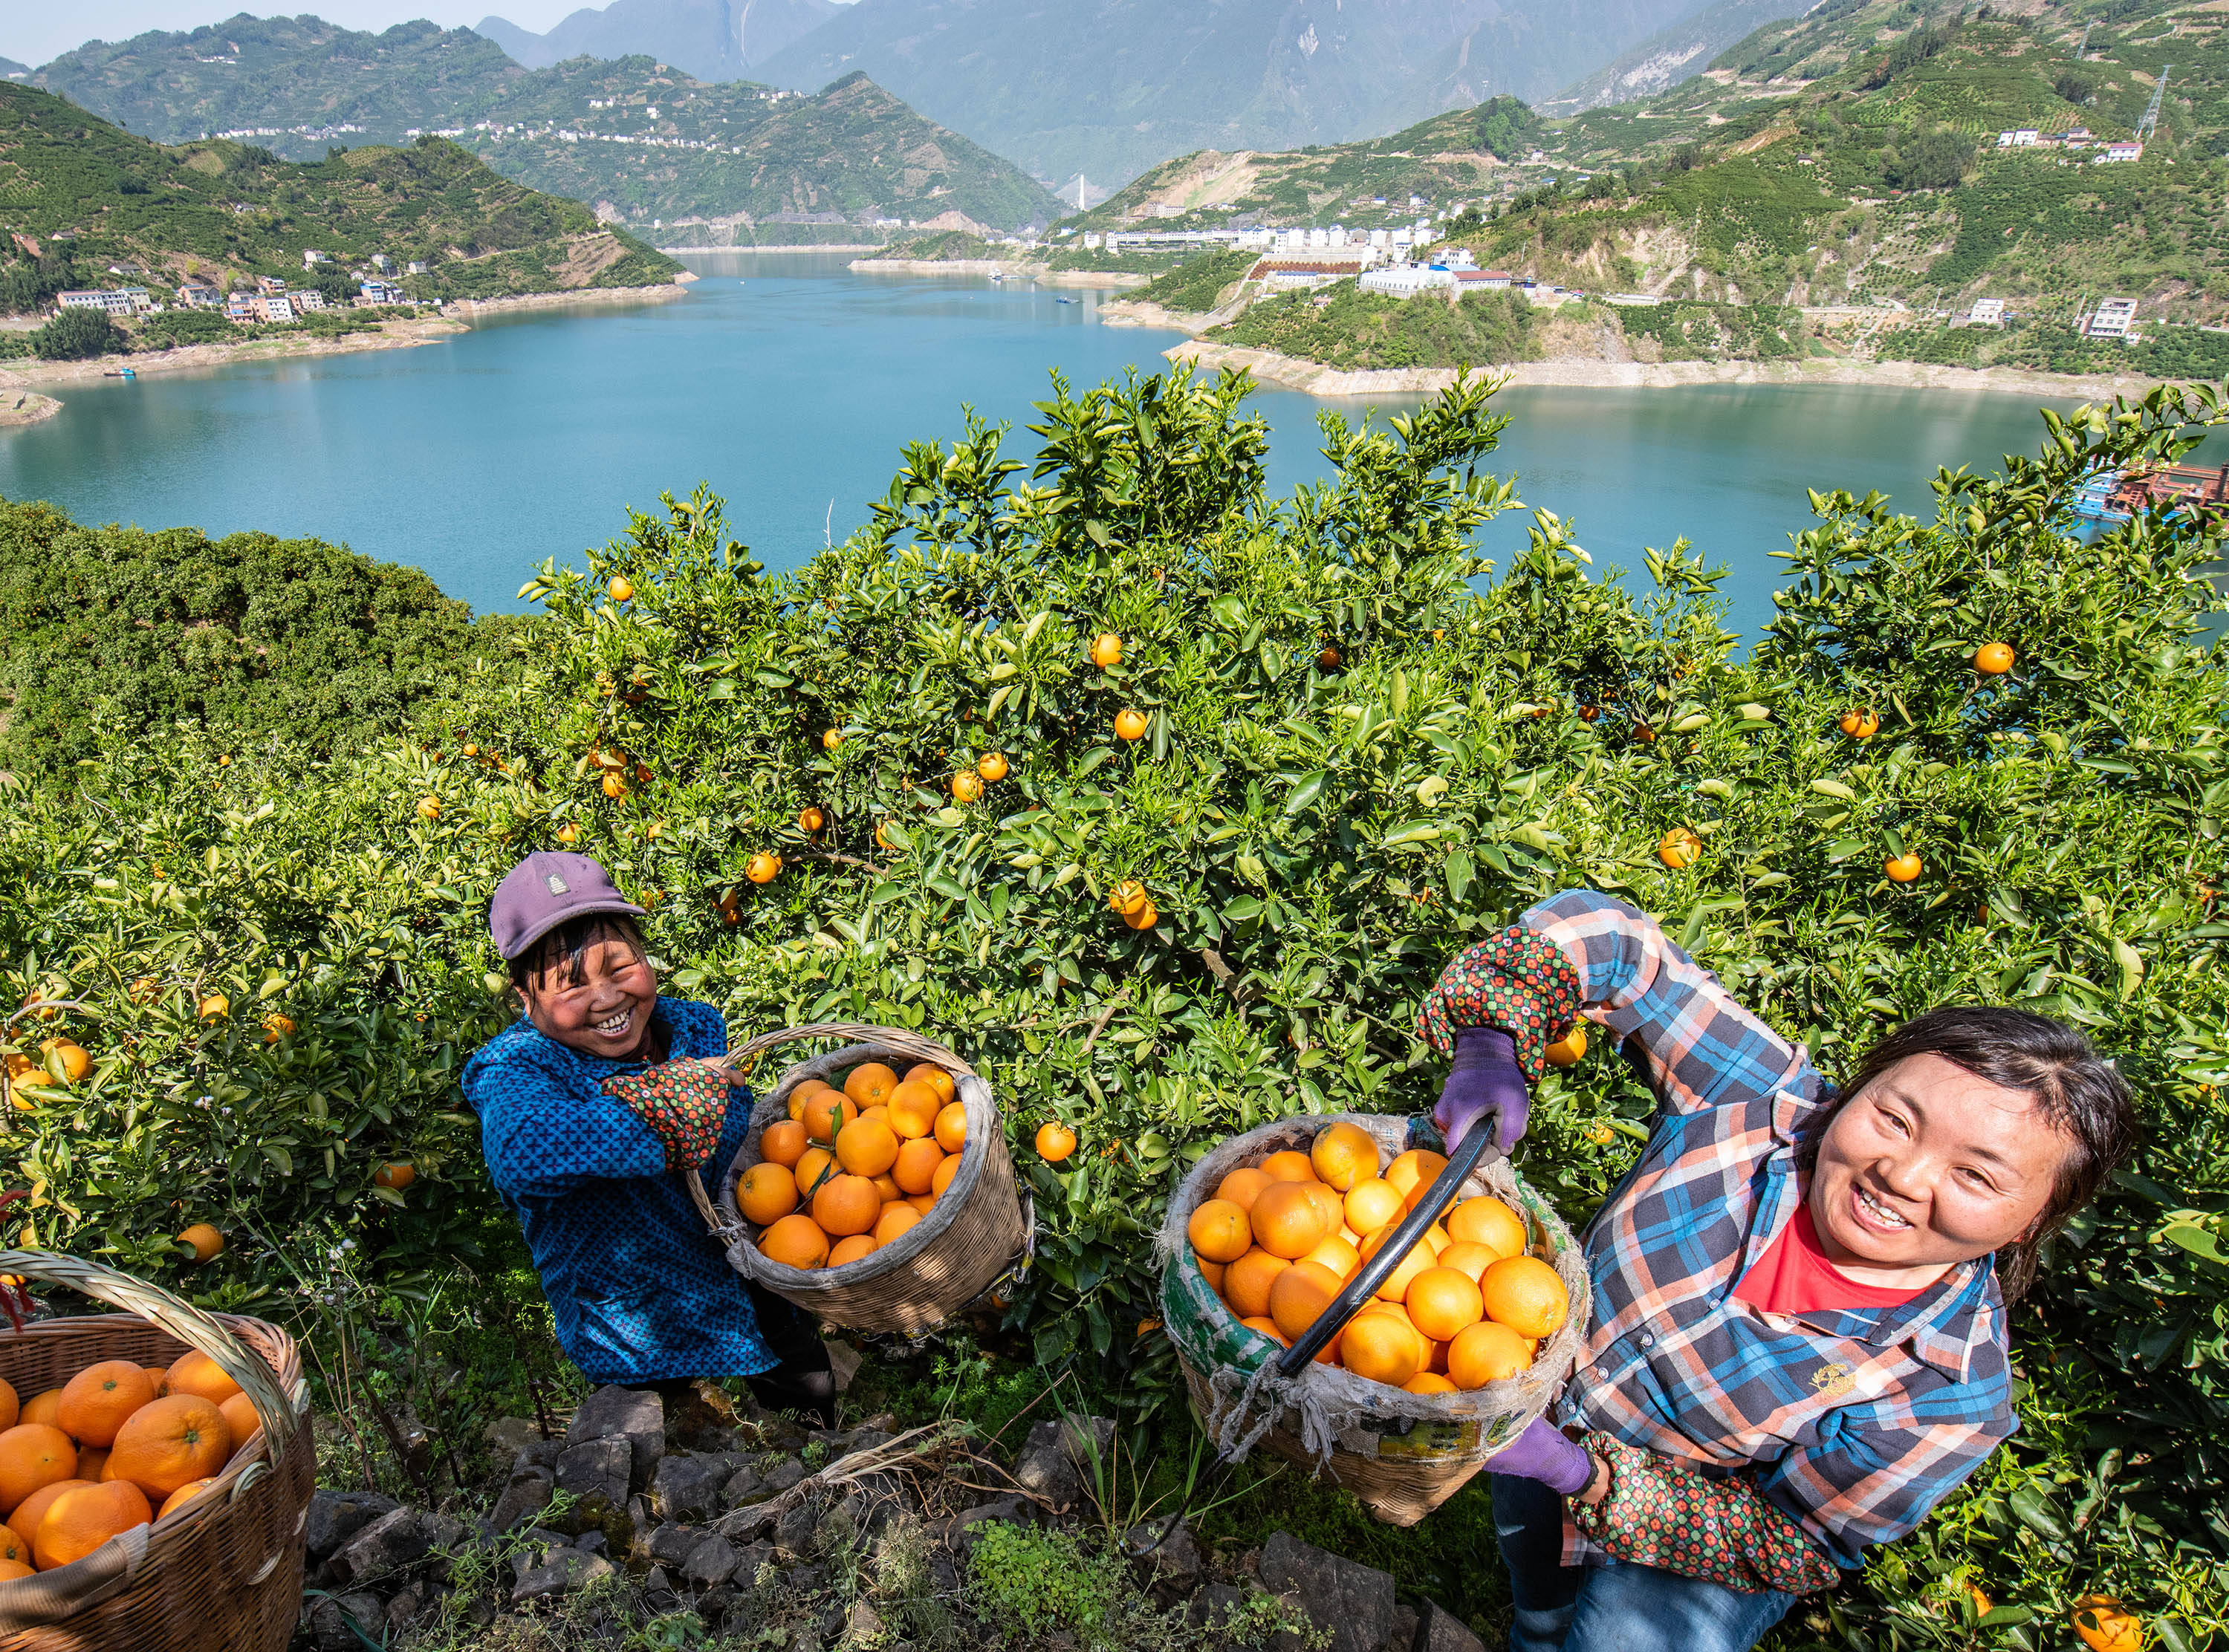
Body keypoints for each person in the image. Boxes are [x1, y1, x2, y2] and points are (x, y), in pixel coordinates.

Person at [1416, 890, 2135, 1652]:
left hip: (1698, 1523)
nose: (1901, 1173)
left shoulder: (1946, 1391)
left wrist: (1580, 1474)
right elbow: (1612, 938)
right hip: (1535, 1400)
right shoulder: (1760, 1105)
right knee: (1541, 1596)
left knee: (1622, 1639)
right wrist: (1494, 1038)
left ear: (2032, 1221)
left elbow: (1793, 1539)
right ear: (1860, 1087)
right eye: (1895, 1117)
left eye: (1976, 1176)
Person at [461, 850, 834, 1424]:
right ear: (525, 999)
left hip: (753, 1277)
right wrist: (661, 1106)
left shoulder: (692, 1026)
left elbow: (728, 1145)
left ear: (642, 952)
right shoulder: (518, 1068)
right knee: (688, 1475)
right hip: (643, 1326)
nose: (607, 998)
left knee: (809, 1411)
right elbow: (520, 1151)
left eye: (619, 967)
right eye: (570, 985)